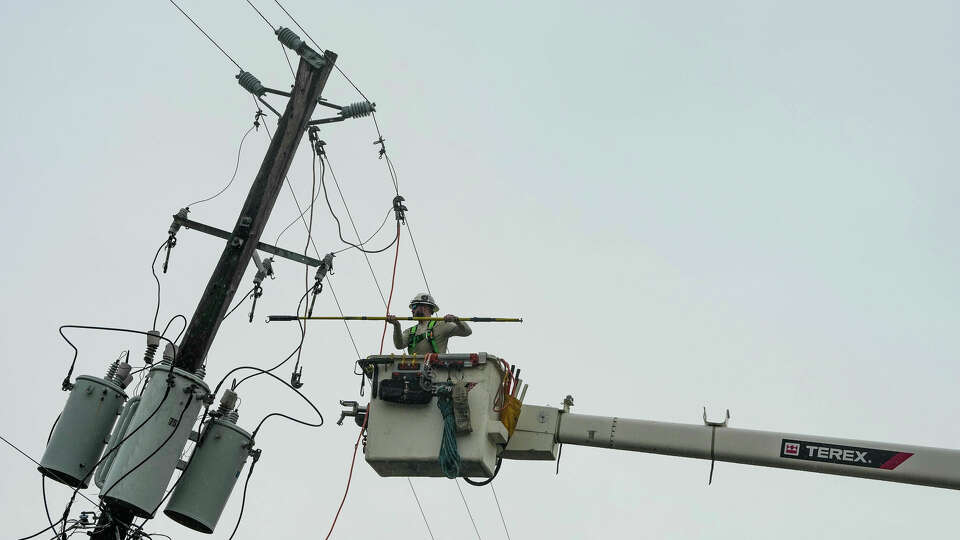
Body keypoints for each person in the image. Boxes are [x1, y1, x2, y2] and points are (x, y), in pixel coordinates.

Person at [387, 293, 472, 354]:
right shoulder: (410, 331)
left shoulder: (441, 325)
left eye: (414, 306)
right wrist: (396, 325)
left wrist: (456, 320)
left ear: (424, 307)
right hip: (415, 371)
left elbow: (467, 331)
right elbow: (399, 345)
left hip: (436, 371)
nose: (412, 310)